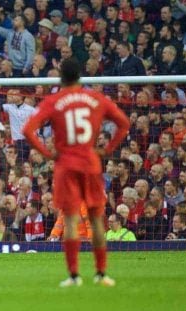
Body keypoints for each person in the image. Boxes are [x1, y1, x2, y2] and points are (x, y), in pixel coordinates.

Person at [22, 58, 130, 287]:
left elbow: (28, 130)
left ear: (61, 78)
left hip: (66, 164)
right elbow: (123, 123)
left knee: (70, 219)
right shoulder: (95, 99)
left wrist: (47, 153)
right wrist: (107, 150)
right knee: (96, 219)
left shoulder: (54, 100)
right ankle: (101, 273)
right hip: (90, 162)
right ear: (80, 76)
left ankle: (74, 276)